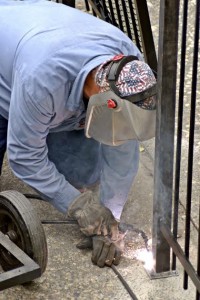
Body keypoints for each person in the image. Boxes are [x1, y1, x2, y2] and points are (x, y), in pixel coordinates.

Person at [0, 0, 156, 268]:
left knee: (82, 174)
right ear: (100, 98)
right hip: (14, 54)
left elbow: (123, 145)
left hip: (41, 35)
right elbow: (25, 157)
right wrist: (79, 206)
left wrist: (109, 218)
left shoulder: (131, 66)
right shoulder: (41, 82)